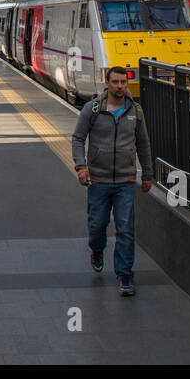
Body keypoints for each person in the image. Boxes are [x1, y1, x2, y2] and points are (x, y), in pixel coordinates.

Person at [70, 66, 154, 297]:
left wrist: (147, 174)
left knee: (125, 229)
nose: (120, 86)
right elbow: (78, 139)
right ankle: (96, 250)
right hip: (98, 179)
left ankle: (125, 276)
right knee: (97, 225)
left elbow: (143, 144)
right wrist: (81, 166)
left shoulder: (135, 111)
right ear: (106, 83)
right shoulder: (92, 110)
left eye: (123, 82)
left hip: (126, 180)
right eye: (115, 82)